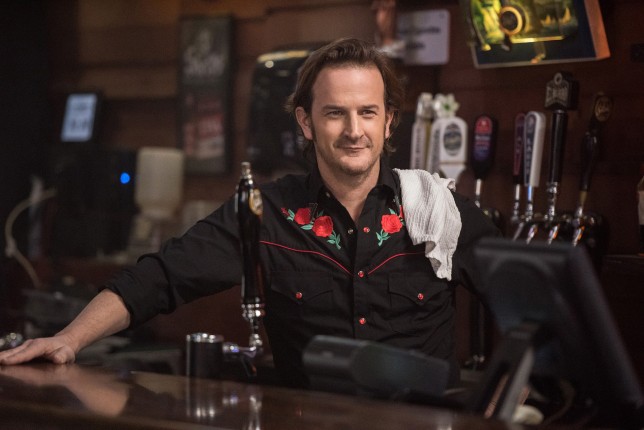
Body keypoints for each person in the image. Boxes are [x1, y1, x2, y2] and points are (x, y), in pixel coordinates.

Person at [0, 38, 499, 388]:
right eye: (334, 113)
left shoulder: (438, 212)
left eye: (367, 112)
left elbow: (527, 302)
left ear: (389, 121)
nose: (353, 130)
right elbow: (161, 277)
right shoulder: (266, 212)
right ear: (306, 122)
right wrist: (69, 339)